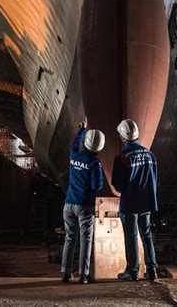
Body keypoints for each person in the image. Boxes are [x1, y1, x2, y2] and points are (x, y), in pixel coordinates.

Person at [112, 119, 158, 281]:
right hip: (146, 203)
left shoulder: (122, 157)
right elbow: (153, 180)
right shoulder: (150, 155)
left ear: (123, 137)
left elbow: (117, 186)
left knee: (131, 236)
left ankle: (132, 271)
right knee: (146, 234)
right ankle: (152, 270)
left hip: (130, 203)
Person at [61, 118, 105, 284]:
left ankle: (66, 273)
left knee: (70, 238)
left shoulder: (74, 154)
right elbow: (97, 186)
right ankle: (83, 275)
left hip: (68, 204)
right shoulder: (94, 163)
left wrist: (82, 129)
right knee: (85, 240)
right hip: (84, 206)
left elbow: (74, 144)